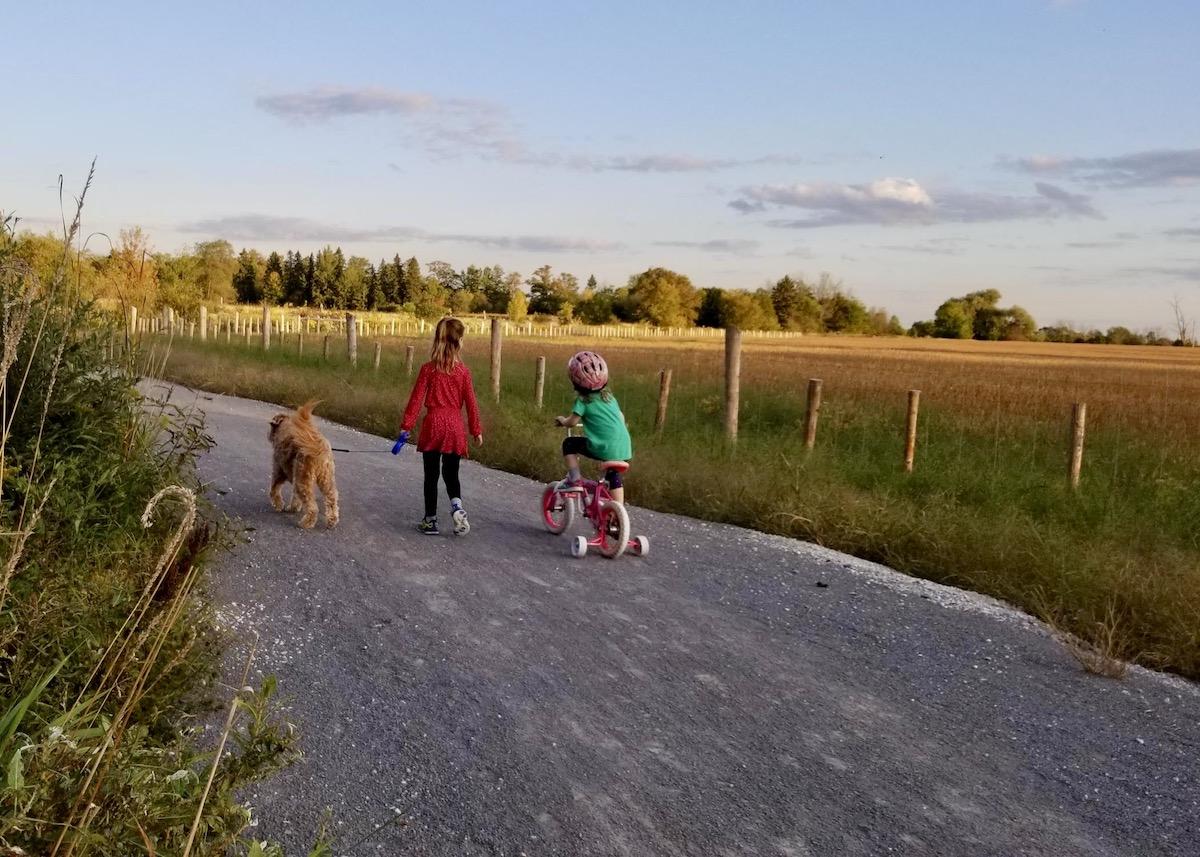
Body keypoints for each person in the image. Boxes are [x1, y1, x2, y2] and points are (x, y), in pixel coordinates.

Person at [399, 317, 483, 535]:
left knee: (432, 475)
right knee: (452, 473)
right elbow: (471, 403)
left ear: (437, 340)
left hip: (434, 424)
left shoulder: (428, 370)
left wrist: (406, 426)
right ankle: (457, 507)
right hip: (455, 426)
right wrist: (476, 430)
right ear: (459, 342)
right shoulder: (463, 372)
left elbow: (416, 400)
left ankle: (431, 520)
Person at [554, 351, 632, 504]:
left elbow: (572, 422)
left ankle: (574, 479)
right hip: (624, 448)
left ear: (575, 381)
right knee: (613, 474)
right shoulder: (610, 398)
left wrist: (562, 421)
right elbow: (621, 417)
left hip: (602, 447)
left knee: (569, 444)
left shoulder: (583, 401)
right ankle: (618, 510)